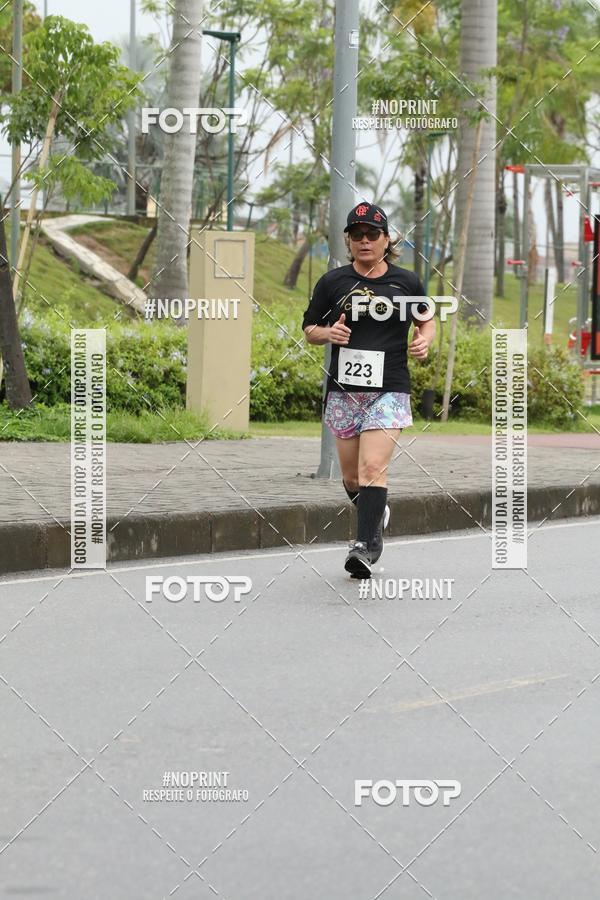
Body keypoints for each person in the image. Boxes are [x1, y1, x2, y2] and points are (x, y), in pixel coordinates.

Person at [302, 202, 435, 579]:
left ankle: (365, 547)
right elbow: (310, 328)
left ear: (386, 239)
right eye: (356, 234)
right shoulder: (333, 282)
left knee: (373, 467)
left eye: (372, 234)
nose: (364, 241)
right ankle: (375, 512)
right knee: (351, 478)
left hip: (389, 387)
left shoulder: (406, 282)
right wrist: (328, 333)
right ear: (349, 240)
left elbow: (426, 320)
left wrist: (423, 341)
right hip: (344, 390)